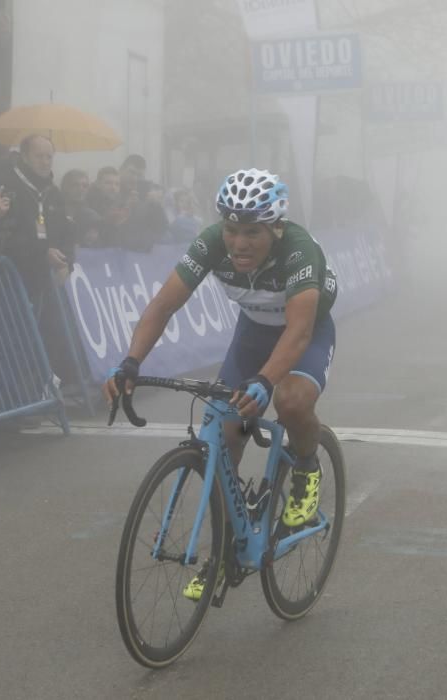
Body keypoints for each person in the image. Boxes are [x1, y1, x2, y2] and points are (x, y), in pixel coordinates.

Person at [103, 168, 338, 600]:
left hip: (302, 333)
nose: (239, 243)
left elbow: (299, 332)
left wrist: (266, 382)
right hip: (253, 332)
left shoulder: (299, 251)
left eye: (252, 232)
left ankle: (306, 469)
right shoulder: (211, 242)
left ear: (276, 228)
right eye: (232, 230)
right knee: (223, 433)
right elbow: (162, 306)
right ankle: (226, 549)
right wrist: (130, 362)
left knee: (290, 401)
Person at [0, 134, 74, 295]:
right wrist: (43, 253)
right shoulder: (7, 187)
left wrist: (66, 263)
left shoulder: (54, 192)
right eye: (39, 156)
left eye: (49, 157)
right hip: (14, 278)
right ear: (25, 157)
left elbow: (67, 230)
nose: (45, 162)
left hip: (48, 281)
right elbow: (5, 234)